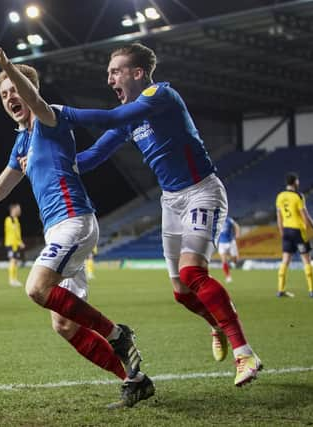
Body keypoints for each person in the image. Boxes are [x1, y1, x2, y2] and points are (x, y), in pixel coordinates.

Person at [0, 31, 154, 409]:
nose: (10, 98)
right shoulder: (21, 141)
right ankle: (135, 380)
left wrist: (4, 66)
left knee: (35, 288)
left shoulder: (50, 118)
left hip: (74, 221)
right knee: (63, 324)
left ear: (29, 89)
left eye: (15, 90)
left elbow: (32, 98)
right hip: (57, 231)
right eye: (3, 95)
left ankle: (117, 333)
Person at [48, 42, 261, 386]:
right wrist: (53, 164)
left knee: (193, 272)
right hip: (171, 202)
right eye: (108, 73)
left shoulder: (161, 95)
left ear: (138, 73)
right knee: (180, 292)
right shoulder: (129, 118)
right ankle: (215, 325)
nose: (109, 79)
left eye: (115, 71)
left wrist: (62, 112)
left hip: (201, 191)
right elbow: (93, 156)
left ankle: (244, 353)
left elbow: (113, 117)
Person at [275, 172, 313, 298]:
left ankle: (281, 290)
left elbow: (279, 217)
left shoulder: (280, 196)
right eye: (297, 181)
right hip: (298, 230)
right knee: (306, 259)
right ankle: (311, 291)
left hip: (286, 230)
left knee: (285, 260)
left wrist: (282, 231)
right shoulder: (298, 196)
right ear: (295, 182)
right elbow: (305, 215)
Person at [4, 203, 25, 287]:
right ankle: (11, 280)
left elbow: (17, 233)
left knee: (15, 261)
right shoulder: (9, 219)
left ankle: (14, 279)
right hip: (11, 243)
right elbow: (13, 232)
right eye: (18, 209)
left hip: (16, 244)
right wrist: (19, 242)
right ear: (13, 210)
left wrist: (20, 241)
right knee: (13, 261)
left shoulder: (16, 219)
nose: (19, 210)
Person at [217, 216, 240, 283]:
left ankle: (231, 263)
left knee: (235, 260)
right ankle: (228, 277)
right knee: (224, 261)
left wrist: (237, 233)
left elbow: (236, 225)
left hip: (231, 242)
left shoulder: (229, 219)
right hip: (221, 243)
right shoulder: (216, 220)